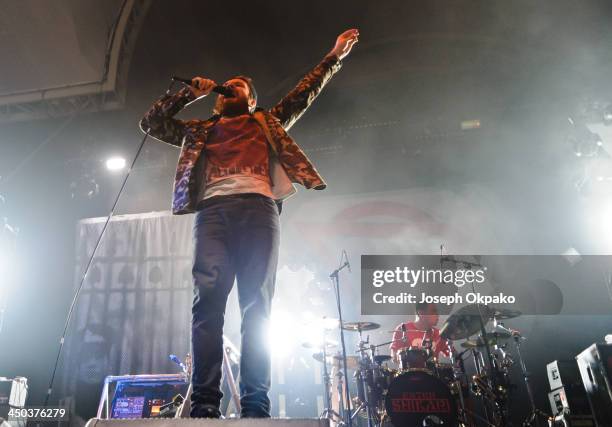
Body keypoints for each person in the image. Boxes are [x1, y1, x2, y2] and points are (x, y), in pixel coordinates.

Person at [139, 29, 359, 419]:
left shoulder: (267, 121)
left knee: (257, 307)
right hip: (213, 214)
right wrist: (190, 93)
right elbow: (152, 122)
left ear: (251, 99)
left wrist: (334, 56)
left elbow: (304, 91)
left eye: (239, 86)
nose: (231, 88)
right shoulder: (199, 130)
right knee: (207, 305)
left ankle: (255, 403)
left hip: (258, 210)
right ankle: (205, 402)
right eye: (229, 86)